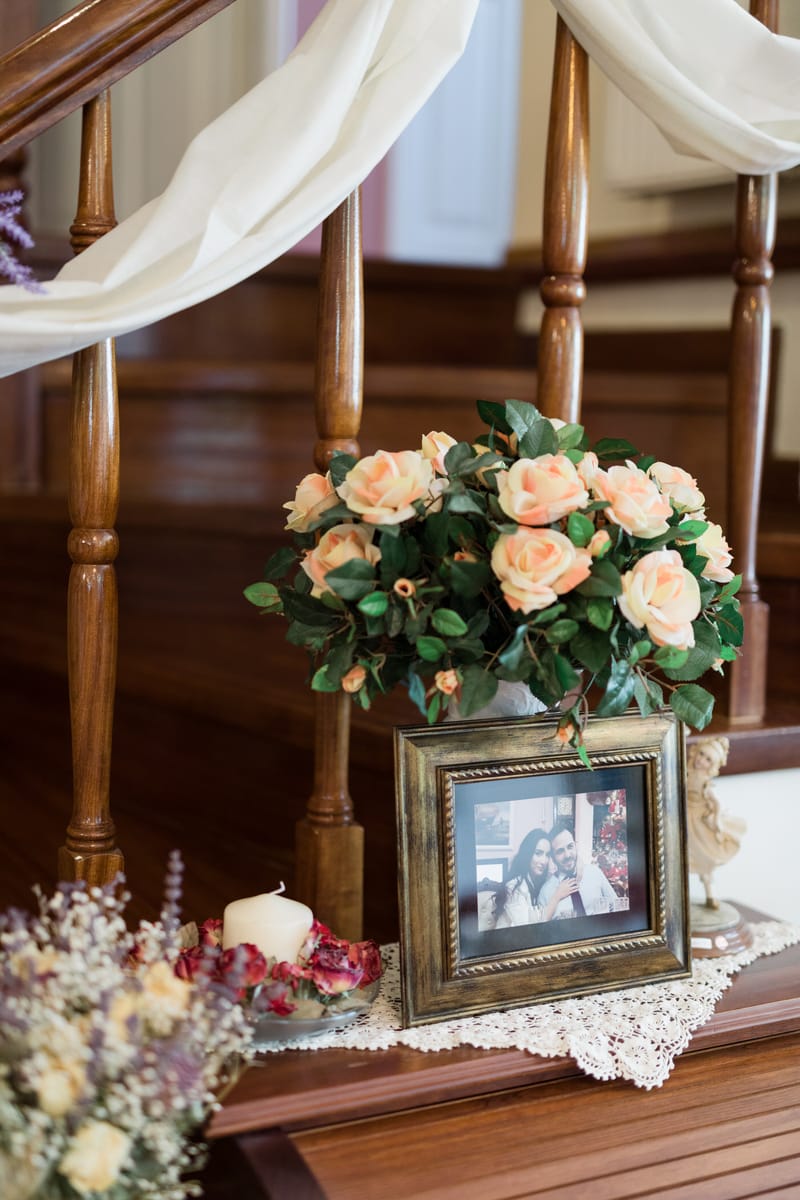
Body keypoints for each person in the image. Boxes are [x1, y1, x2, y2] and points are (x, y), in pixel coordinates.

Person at [686, 736, 745, 909]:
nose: (701, 760)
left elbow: (717, 803)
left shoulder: (706, 784)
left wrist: (715, 818)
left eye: (707, 759)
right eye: (701, 754)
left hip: (697, 821)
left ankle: (710, 893)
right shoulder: (686, 772)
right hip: (682, 814)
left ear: (712, 765)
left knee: (703, 856)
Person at [539, 821, 618, 919]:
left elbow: (617, 907)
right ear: (552, 857)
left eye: (570, 846)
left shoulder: (594, 873)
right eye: (560, 851)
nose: (567, 855)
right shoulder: (546, 892)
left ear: (575, 846)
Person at [492, 828, 553, 928]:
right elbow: (528, 928)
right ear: (527, 853)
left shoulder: (538, 881)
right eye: (538, 853)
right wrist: (556, 897)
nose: (544, 861)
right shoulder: (513, 886)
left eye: (547, 855)